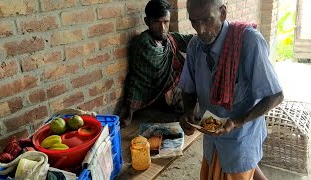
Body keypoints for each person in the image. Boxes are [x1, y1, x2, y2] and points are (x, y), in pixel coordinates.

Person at [178, 0, 284, 179]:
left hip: (241, 136)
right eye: (194, 21)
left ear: (222, 13)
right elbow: (189, 89)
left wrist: (236, 122)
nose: (200, 29)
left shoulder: (249, 42)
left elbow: (275, 95)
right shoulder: (195, 46)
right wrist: (188, 112)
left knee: (240, 171)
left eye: (206, 20)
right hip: (212, 136)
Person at [120, 0, 193, 127]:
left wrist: (205, 36)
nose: (162, 28)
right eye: (156, 22)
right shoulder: (143, 44)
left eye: (166, 22)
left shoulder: (169, 38)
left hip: (174, 90)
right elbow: (140, 79)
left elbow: (190, 41)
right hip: (157, 97)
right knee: (196, 110)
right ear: (147, 22)